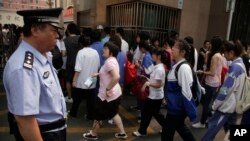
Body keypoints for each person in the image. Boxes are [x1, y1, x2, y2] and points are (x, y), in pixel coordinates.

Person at [3, 8, 67, 141]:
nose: (58, 36)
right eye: (54, 30)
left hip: (54, 132)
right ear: (35, 30)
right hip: (42, 135)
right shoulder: (24, 68)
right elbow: (25, 120)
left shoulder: (42, 55)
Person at [201, 41, 246, 141]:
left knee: (211, 130)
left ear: (231, 53)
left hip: (226, 106)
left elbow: (226, 90)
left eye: (225, 52)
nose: (223, 55)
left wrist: (215, 104)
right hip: (234, 105)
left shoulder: (235, 68)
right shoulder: (241, 65)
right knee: (232, 130)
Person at [83, 41, 127, 140]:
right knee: (113, 113)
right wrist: (98, 74)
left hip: (106, 95)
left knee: (98, 114)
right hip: (115, 93)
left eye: (105, 48)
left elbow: (116, 77)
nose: (103, 50)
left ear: (110, 52)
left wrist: (107, 88)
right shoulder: (112, 60)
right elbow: (109, 73)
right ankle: (122, 133)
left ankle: (93, 134)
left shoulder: (109, 62)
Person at [162, 39, 196, 141]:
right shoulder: (178, 65)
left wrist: (191, 113)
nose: (172, 48)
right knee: (180, 128)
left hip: (177, 109)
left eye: (176, 47)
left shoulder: (183, 68)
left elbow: (187, 93)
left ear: (183, 52)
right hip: (175, 107)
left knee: (166, 134)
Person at [133, 48, 166, 137]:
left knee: (147, 113)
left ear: (158, 56)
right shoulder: (158, 66)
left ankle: (142, 131)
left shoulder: (159, 69)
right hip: (155, 95)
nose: (152, 56)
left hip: (155, 96)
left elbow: (158, 84)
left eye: (154, 55)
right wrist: (147, 79)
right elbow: (157, 82)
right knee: (155, 113)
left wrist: (148, 83)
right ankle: (166, 127)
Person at [192, 36, 224, 128]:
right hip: (216, 82)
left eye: (210, 43)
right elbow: (208, 66)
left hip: (210, 82)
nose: (209, 44)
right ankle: (207, 117)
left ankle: (202, 122)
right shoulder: (219, 55)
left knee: (205, 102)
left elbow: (212, 72)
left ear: (213, 44)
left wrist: (202, 72)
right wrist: (206, 57)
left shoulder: (215, 56)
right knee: (207, 102)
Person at [69, 34, 100, 119]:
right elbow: (98, 65)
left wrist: (74, 80)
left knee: (77, 98)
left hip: (82, 80)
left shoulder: (81, 52)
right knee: (90, 100)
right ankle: (90, 115)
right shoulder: (95, 52)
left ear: (81, 43)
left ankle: (73, 113)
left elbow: (78, 69)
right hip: (92, 78)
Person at [64, 23, 81, 103]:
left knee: (68, 80)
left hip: (70, 63)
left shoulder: (65, 40)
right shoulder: (80, 38)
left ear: (68, 30)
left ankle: (70, 97)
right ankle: (78, 97)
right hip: (80, 63)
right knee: (78, 80)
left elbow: (63, 54)